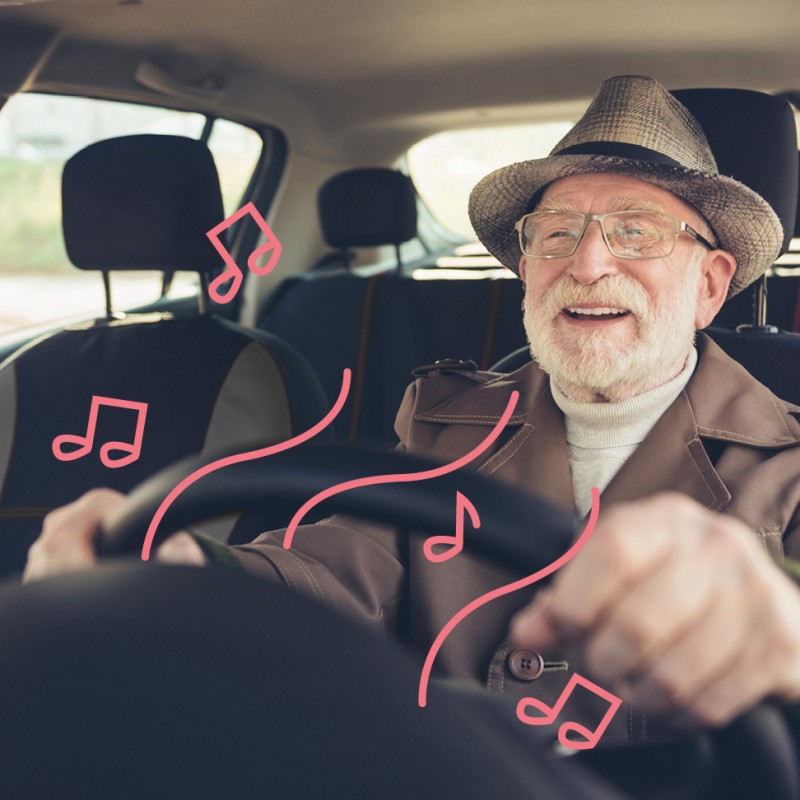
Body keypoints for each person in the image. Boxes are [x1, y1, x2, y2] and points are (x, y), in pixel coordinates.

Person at [22, 75, 800, 745]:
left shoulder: (788, 466)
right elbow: (335, 567)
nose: (589, 263)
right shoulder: (441, 422)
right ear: (527, 272)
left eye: (637, 232)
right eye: (556, 233)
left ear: (708, 285)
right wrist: (194, 573)